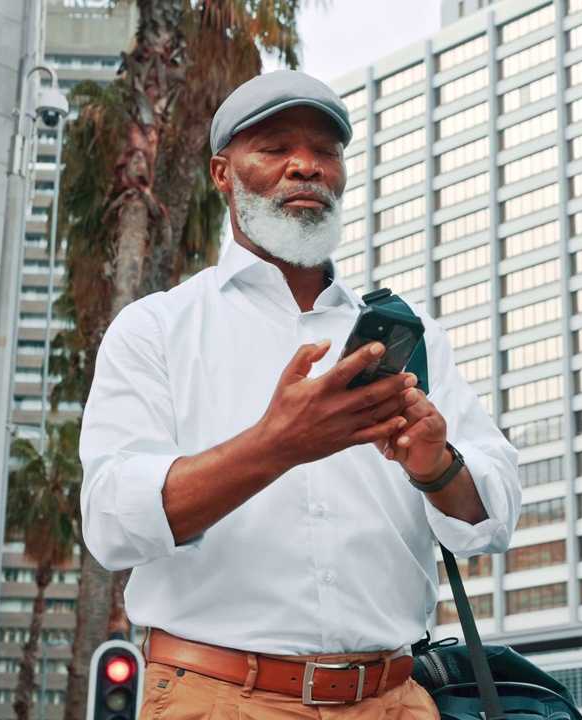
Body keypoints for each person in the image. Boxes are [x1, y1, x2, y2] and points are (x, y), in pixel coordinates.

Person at [80, 69, 520, 718]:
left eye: (326, 150)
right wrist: (276, 446)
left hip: (394, 701)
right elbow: (113, 522)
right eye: (276, 146)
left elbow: (495, 515)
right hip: (216, 699)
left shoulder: (408, 333)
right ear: (223, 173)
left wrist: (436, 464)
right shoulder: (156, 329)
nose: (306, 167)